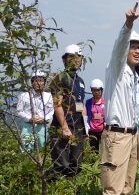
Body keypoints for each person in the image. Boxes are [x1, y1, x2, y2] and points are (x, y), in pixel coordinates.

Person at [97, 4, 139, 195]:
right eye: (133, 46)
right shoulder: (117, 69)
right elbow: (118, 47)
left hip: (131, 135)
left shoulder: (134, 76)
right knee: (112, 189)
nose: (137, 51)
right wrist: (128, 24)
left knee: (127, 186)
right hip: (116, 135)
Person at [49, 44, 86, 179]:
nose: (76, 60)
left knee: (76, 163)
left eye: (78, 57)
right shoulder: (60, 78)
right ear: (64, 60)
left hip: (78, 127)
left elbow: (81, 105)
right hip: (62, 127)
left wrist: (85, 129)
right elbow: (57, 103)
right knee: (61, 164)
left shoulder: (80, 81)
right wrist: (64, 127)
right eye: (72, 57)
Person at [16, 70, 54, 152]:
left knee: (43, 149)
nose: (38, 83)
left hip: (43, 126)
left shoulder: (49, 96)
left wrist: (43, 118)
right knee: (26, 150)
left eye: (41, 80)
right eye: (35, 81)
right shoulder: (24, 96)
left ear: (44, 82)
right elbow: (19, 111)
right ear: (32, 83)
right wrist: (30, 118)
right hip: (28, 126)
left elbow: (51, 111)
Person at [86, 78, 105, 151]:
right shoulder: (88, 102)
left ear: (101, 90)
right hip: (92, 130)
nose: (96, 92)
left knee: (104, 150)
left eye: (98, 90)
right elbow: (86, 115)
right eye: (94, 90)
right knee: (93, 150)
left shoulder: (105, 102)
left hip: (103, 130)